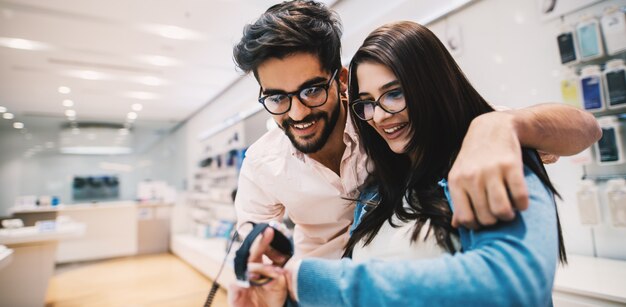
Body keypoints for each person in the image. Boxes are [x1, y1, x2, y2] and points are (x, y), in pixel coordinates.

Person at [232, 20, 576, 307]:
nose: (380, 117)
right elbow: (252, 249)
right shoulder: (374, 195)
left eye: (394, 93)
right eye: (277, 98)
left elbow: (511, 286)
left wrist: (500, 125)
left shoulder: (483, 153)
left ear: (339, 82)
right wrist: (275, 281)